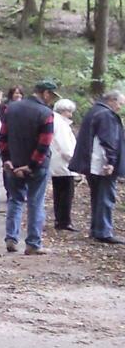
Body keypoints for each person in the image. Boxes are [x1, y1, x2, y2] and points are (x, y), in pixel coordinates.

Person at [0, 80, 58, 254]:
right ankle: (33, 243)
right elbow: (44, 143)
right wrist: (31, 165)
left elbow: (2, 136)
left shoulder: (11, 108)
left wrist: (7, 159)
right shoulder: (46, 113)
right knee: (35, 203)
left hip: (14, 163)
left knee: (15, 200)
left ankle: (11, 237)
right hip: (36, 167)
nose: (52, 99)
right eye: (52, 95)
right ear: (45, 93)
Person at [68, 90, 125, 244]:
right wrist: (111, 162)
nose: (120, 107)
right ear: (112, 100)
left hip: (92, 163)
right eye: (120, 103)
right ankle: (103, 231)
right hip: (101, 164)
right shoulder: (106, 115)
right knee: (106, 197)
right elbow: (109, 140)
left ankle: (97, 229)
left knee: (98, 197)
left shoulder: (94, 111)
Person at [49, 98, 78, 231]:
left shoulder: (55, 121)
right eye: (69, 111)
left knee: (59, 193)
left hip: (57, 163)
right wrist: (73, 160)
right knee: (66, 193)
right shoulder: (61, 124)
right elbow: (65, 146)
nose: (71, 115)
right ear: (63, 111)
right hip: (63, 164)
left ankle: (60, 220)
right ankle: (64, 221)